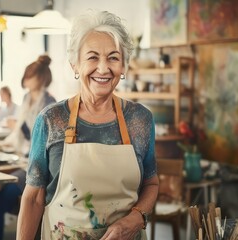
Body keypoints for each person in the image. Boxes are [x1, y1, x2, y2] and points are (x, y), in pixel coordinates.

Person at [16, 10, 159, 240]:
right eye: (92, 57)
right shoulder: (51, 120)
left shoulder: (140, 120)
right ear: (75, 65)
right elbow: (33, 198)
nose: (103, 69)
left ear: (123, 66)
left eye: (113, 57)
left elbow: (151, 183)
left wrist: (136, 217)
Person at [0, 54, 56, 240]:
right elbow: (24, 131)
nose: (26, 80)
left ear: (40, 78)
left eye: (30, 76)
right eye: (26, 75)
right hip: (24, 160)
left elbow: (44, 140)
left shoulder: (49, 103)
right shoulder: (26, 98)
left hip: (39, 169)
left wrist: (19, 128)